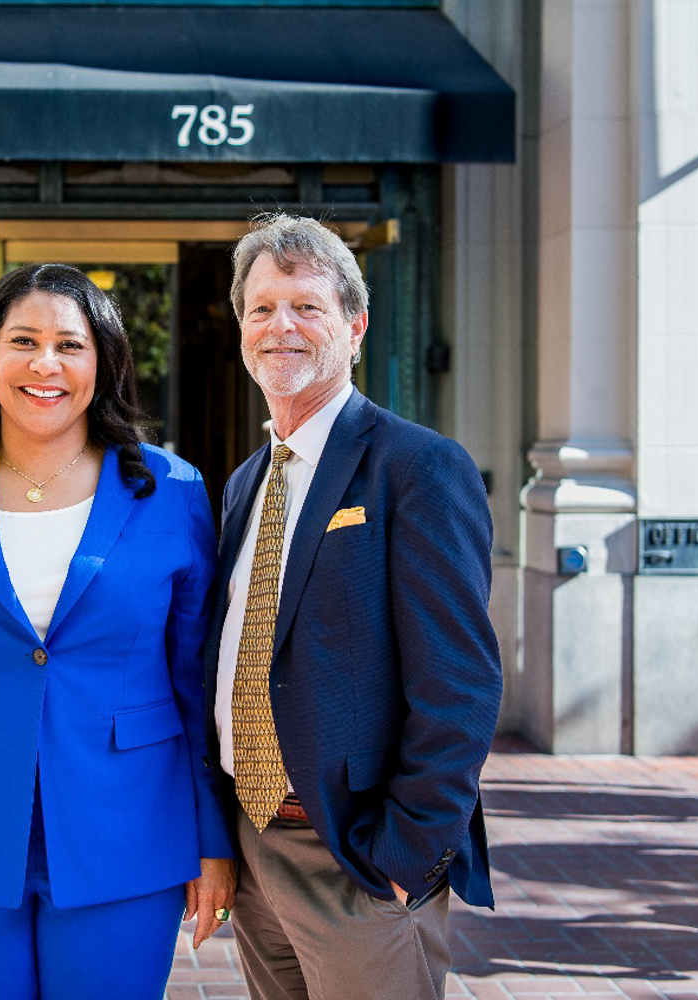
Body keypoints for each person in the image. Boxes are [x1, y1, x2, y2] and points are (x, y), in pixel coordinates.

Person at [0, 263, 235, 999]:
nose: (45, 364)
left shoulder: (172, 491)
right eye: (23, 340)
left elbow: (196, 686)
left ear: (105, 363)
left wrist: (213, 842)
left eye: (70, 345)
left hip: (127, 834)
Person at [205, 214, 502, 1000]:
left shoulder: (418, 468)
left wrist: (406, 860)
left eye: (307, 306)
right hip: (256, 847)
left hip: (357, 858)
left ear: (355, 326)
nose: (282, 327)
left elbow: (460, 689)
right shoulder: (244, 485)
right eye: (262, 309)